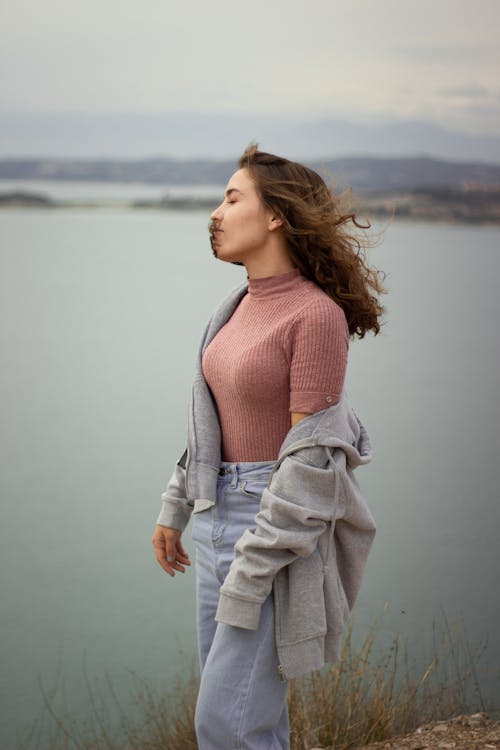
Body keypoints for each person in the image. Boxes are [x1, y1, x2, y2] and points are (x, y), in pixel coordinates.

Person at [151, 144, 385, 750]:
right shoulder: (231, 309)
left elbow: (312, 461)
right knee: (244, 712)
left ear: (276, 215)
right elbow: (208, 423)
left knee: (226, 722)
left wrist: (256, 564)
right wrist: (176, 507)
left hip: (270, 527)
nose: (216, 213)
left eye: (232, 198)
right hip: (212, 522)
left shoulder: (316, 317)